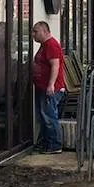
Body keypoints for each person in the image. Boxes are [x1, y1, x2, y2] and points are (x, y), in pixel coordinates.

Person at [30, 21, 66, 154]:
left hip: (50, 89)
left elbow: (55, 65)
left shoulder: (51, 45)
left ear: (44, 31)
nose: (33, 34)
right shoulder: (44, 45)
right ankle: (46, 143)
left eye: (36, 31)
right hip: (42, 87)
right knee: (44, 116)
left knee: (49, 116)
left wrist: (51, 85)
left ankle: (55, 145)